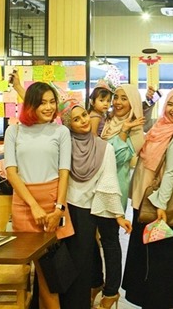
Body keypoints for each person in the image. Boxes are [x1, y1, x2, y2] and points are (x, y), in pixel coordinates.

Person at [122, 86, 173, 309]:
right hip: (145, 200)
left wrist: (160, 205)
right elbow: (141, 130)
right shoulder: (161, 127)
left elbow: (171, 172)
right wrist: (148, 102)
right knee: (147, 256)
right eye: (170, 104)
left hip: (157, 205)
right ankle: (151, 301)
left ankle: (165, 303)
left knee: (160, 259)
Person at [57, 100, 132, 309]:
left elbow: (109, 181)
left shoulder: (104, 147)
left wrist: (118, 215)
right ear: (68, 125)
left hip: (101, 202)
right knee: (83, 254)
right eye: (76, 119)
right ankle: (90, 289)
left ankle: (111, 292)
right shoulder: (65, 147)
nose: (83, 121)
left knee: (109, 244)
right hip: (74, 206)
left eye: (84, 115)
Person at [4, 82, 72, 309]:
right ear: (30, 104)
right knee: (33, 272)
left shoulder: (61, 131)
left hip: (53, 204)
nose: (49, 107)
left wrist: (59, 209)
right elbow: (11, 172)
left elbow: (64, 172)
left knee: (48, 275)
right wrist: (33, 205)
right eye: (43, 102)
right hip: (24, 204)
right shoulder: (14, 131)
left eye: (52, 102)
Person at [91, 84, 146, 303]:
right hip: (92, 188)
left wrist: (124, 130)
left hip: (113, 190)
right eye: (116, 97)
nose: (117, 102)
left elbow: (117, 158)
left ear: (133, 103)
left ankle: (111, 291)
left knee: (109, 241)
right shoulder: (107, 121)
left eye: (124, 98)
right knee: (89, 240)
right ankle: (96, 282)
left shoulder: (136, 130)